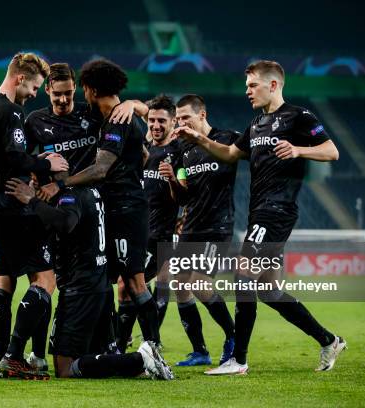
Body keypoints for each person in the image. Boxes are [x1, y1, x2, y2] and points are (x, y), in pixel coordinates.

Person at [173, 60, 346, 375]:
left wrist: (298, 150)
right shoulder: (255, 125)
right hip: (259, 212)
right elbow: (228, 154)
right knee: (268, 290)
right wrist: (199, 140)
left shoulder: (299, 116)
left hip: (278, 209)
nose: (247, 91)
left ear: (274, 85)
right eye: (247, 86)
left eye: (253, 85)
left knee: (242, 272)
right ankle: (329, 340)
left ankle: (237, 359)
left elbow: (331, 150)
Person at [23, 63, 148, 364]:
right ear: (48, 91)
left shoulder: (89, 112)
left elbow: (135, 117)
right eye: (58, 96)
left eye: (68, 94)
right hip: (53, 210)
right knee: (45, 280)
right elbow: (23, 161)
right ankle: (39, 353)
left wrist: (132, 103)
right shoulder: (34, 121)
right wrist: (36, 169)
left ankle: (107, 345)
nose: (64, 101)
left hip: (91, 208)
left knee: (98, 278)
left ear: (77, 90)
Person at [5, 177, 174, 380]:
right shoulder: (90, 191)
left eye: (36, 177)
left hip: (80, 289)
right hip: (98, 283)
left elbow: (66, 223)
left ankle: (142, 359)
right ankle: (137, 364)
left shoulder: (70, 196)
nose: (32, 181)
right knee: (100, 355)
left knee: (64, 368)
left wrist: (32, 200)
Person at [0, 52, 69, 380]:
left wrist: (30, 158)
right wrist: (46, 164)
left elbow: (4, 155)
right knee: (45, 279)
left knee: (4, 279)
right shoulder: (11, 110)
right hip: (13, 203)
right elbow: (15, 157)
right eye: (33, 86)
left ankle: (3, 359)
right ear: (19, 79)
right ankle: (15, 356)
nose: (33, 93)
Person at [163, 94, 238, 367]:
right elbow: (183, 198)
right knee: (181, 285)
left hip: (217, 226)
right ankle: (200, 351)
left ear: (202, 114)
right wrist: (173, 180)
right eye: (179, 119)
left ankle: (233, 338)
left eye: (186, 117)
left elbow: (248, 155)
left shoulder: (228, 139)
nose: (181, 123)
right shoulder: (184, 151)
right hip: (191, 225)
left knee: (199, 283)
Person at [115, 94, 179, 352]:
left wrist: (175, 181)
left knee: (131, 285)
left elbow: (186, 188)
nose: (155, 125)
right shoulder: (145, 146)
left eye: (162, 121)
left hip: (159, 234)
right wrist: (131, 105)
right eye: (152, 120)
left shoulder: (178, 151)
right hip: (137, 231)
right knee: (127, 287)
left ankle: (129, 342)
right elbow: (143, 111)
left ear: (173, 122)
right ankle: (141, 340)